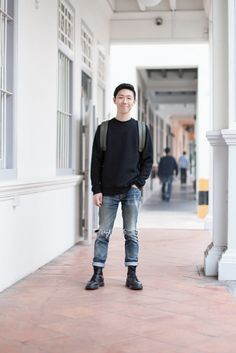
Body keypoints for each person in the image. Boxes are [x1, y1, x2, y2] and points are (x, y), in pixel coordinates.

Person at [85, 83, 153, 291]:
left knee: (131, 233)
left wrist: (137, 183)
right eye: (121, 97)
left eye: (129, 97)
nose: (125, 101)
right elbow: (95, 162)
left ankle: (132, 275)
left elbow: (148, 161)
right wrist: (96, 189)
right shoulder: (104, 129)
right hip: (108, 192)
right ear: (114, 100)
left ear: (133, 102)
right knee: (103, 233)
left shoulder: (141, 129)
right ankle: (97, 275)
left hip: (131, 191)